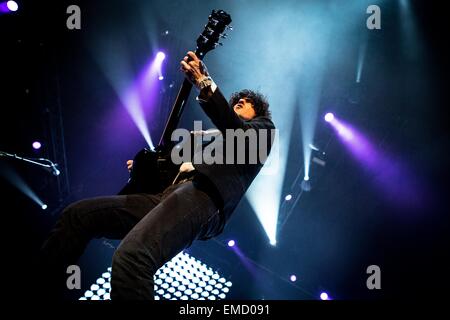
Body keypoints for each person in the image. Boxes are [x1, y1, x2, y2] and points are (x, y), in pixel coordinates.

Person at [37, 51, 275, 300]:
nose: (240, 101)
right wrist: (144, 170)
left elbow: (235, 130)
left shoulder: (263, 131)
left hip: (204, 197)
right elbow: (176, 172)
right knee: (79, 215)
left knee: (133, 257)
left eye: (247, 102)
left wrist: (205, 83)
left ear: (258, 112)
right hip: (169, 194)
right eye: (238, 99)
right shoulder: (206, 139)